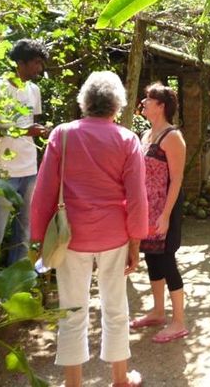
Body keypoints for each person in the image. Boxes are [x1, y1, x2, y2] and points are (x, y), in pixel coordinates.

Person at [30, 71, 148, 387]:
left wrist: (38, 238)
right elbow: (137, 197)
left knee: (72, 310)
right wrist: (136, 242)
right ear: (117, 105)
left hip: (70, 237)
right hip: (115, 236)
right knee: (116, 306)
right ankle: (120, 378)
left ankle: (73, 383)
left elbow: (44, 191)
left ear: (85, 102)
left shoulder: (63, 135)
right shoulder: (127, 140)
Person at [0, 38, 50, 266]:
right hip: (0, 171)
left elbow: (32, 125)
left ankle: (18, 277)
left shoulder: (34, 90)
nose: (40, 68)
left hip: (28, 168)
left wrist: (42, 132)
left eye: (41, 63)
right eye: (36, 63)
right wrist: (23, 131)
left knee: (25, 228)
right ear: (21, 62)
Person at [129, 82, 188, 344]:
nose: (143, 103)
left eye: (148, 99)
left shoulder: (172, 137)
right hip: (148, 209)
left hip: (166, 209)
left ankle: (179, 322)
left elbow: (177, 180)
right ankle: (158, 312)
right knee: (152, 258)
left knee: (166, 260)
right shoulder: (145, 135)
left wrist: (165, 215)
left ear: (161, 106)